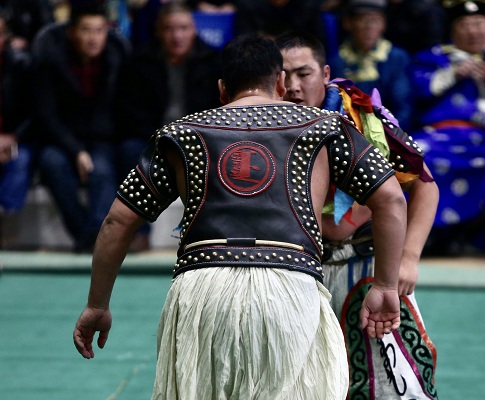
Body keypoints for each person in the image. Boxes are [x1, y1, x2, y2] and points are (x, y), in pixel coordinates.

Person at [73, 33, 408, 399]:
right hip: (291, 287)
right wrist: (387, 285)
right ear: (280, 82)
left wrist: (96, 304)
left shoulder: (180, 133)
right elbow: (392, 199)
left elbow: (117, 221)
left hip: (201, 291)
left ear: (221, 89)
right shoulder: (325, 126)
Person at [277, 30, 439, 399]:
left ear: (326, 73)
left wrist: (408, 258)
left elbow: (425, 186)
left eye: (304, 74)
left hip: (370, 270)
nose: (294, 85)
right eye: (284, 76)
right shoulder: (263, 127)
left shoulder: (367, 121)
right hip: (299, 275)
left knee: (394, 389)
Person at [410, 0, 485, 257]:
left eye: (478, 24)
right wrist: (452, 74)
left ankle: (475, 236)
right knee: (418, 155)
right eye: (465, 25)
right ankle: (429, 235)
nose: (473, 31)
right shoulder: (434, 57)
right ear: (452, 29)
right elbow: (418, 89)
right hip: (444, 137)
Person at [115, 1, 221, 251]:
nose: (177, 36)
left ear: (194, 29)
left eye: (183, 28)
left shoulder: (213, 61)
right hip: (151, 137)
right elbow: (129, 110)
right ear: (159, 31)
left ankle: (206, 235)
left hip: (199, 136)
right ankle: (137, 233)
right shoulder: (139, 61)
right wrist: (158, 137)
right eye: (170, 29)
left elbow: (218, 108)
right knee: (128, 150)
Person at [33, 2, 129, 252]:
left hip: (102, 139)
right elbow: (46, 115)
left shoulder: (117, 57)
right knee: (51, 162)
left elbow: (118, 113)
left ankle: (94, 239)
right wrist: (76, 150)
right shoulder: (50, 60)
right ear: (71, 32)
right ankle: (90, 238)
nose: (93, 38)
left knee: (101, 170)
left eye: (99, 30)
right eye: (86, 30)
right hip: (61, 139)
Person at [328, 0, 412, 129]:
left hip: (390, 130)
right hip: (350, 131)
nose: (369, 27)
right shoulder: (338, 60)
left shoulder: (396, 57)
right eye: (363, 20)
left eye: (375, 21)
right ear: (348, 23)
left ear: (384, 24)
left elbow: (403, 106)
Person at [0, 14, 35, 236]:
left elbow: (35, 112)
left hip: (16, 138)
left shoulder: (23, 65)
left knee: (20, 159)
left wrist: (12, 138)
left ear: (4, 37)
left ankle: (5, 227)